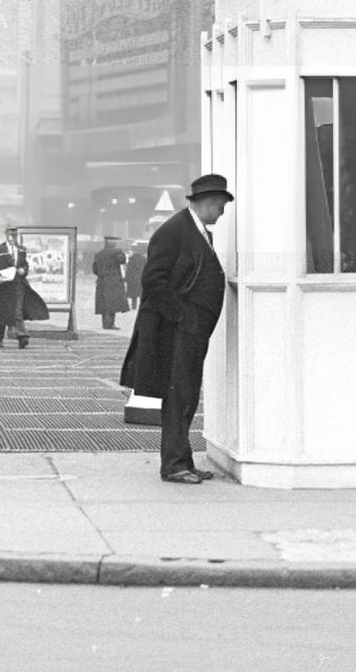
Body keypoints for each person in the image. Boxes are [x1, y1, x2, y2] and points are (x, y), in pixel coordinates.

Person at [120, 174, 232, 486]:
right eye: (220, 208)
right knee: (178, 396)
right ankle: (173, 465)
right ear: (208, 203)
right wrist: (181, 317)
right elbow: (153, 279)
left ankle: (182, 460)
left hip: (189, 331)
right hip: (177, 332)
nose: (221, 214)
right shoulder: (175, 231)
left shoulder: (194, 229)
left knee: (184, 396)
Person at [0, 224, 47, 347]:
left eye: (15, 234)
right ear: (6, 234)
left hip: (17, 285)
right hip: (2, 286)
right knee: (1, 313)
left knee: (17, 310)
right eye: (11, 234)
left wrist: (24, 270)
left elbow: (25, 264)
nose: (13, 236)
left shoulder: (21, 249)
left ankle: (22, 336)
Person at [92, 235, 128, 329]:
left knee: (103, 303)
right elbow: (122, 261)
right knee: (113, 303)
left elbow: (95, 270)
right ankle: (111, 324)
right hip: (114, 281)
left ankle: (105, 324)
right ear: (112, 243)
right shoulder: (117, 252)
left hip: (101, 281)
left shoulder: (98, 254)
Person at [125, 241, 147, 308]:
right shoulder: (144, 259)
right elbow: (146, 268)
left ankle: (133, 304)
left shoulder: (131, 259)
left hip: (133, 277)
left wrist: (126, 278)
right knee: (141, 292)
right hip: (141, 277)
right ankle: (141, 304)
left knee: (134, 293)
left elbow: (128, 269)